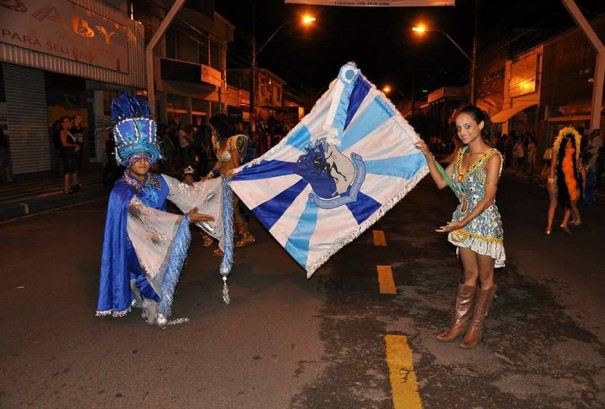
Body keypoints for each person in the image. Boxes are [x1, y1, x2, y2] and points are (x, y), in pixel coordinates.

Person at [96, 93, 224, 328]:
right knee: (151, 268)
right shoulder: (121, 191)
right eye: (137, 158)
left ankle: (143, 293)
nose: (143, 162)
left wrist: (221, 183)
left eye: (146, 157)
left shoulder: (159, 180)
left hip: (161, 236)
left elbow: (188, 192)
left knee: (162, 260)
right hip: (133, 244)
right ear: (127, 160)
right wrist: (184, 220)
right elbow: (142, 215)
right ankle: (151, 306)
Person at [415, 104, 505, 349]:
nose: (463, 132)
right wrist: (427, 155)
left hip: (484, 223)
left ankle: (475, 329)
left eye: (468, 126)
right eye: (459, 128)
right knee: (469, 275)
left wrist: (463, 221)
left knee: (486, 277)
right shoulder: (462, 153)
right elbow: (441, 182)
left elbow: (488, 197)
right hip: (463, 220)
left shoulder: (493, 156)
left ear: (481, 125)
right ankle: (458, 324)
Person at [207, 114, 255, 255]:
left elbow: (236, 165)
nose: (211, 131)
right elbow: (220, 162)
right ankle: (247, 236)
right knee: (234, 212)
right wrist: (209, 175)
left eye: (213, 128)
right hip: (223, 182)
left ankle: (226, 246)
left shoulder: (231, 143)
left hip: (232, 183)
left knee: (226, 214)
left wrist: (231, 174)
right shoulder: (220, 143)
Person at [545, 127, 583, 235]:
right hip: (560, 180)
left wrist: (551, 181)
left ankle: (556, 226)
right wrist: (552, 181)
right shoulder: (559, 151)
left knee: (564, 202)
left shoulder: (559, 150)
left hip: (565, 181)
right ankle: (553, 226)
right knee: (558, 203)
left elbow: (574, 168)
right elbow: (552, 167)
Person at [58, 116, 81, 194]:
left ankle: (72, 186)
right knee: (68, 171)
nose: (68, 123)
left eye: (69, 121)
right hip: (67, 153)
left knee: (73, 169)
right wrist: (75, 146)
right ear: (62, 124)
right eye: (66, 122)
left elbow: (76, 140)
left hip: (72, 153)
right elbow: (64, 144)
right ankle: (66, 188)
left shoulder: (69, 131)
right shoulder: (62, 131)